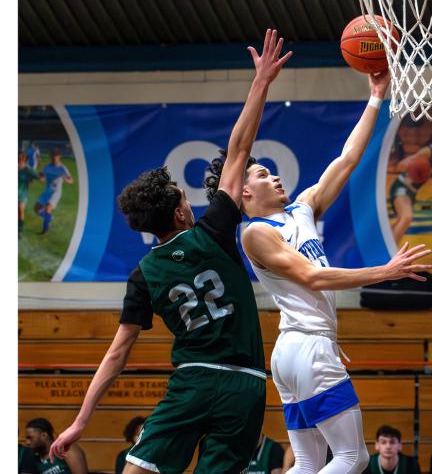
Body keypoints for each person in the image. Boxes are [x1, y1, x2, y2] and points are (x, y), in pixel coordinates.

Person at [48, 29, 292, 474]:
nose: (191, 203)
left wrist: (81, 421)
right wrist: (260, 84)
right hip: (245, 386)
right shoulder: (216, 230)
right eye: (185, 199)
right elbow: (238, 147)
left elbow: (117, 354)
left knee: (137, 471)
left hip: (192, 383)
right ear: (181, 214)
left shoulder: (144, 272)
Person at [204, 71, 432, 474]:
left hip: (297, 351)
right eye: (261, 175)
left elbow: (347, 159)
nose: (273, 176)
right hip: (307, 348)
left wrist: (376, 98)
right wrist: (385, 270)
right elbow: (311, 278)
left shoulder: (302, 209)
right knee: (353, 458)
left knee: (309, 464)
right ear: (244, 192)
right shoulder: (256, 232)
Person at [34, 148, 73, 234]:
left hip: (56, 192)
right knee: (36, 209)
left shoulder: (62, 168)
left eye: (55, 156)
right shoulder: (47, 167)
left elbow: (71, 180)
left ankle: (45, 230)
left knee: (48, 207)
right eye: (52, 156)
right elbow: (42, 175)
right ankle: (49, 217)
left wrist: (66, 180)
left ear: (59, 157)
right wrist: (41, 177)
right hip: (47, 191)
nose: (54, 158)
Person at [19, 152, 40, 238]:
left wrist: (31, 179)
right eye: (18, 159)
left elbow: (38, 177)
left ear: (25, 160)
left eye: (21, 160)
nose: (20, 161)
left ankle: (19, 231)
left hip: (22, 194)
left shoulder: (28, 169)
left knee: (20, 210)